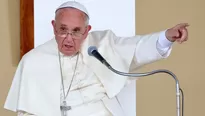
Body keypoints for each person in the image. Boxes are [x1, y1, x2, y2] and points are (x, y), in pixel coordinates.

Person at [4, 1, 189, 116]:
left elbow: (136, 49)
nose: (68, 38)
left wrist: (167, 37)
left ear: (87, 30)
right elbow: (27, 111)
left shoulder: (101, 45)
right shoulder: (33, 60)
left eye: (76, 31)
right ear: (53, 26)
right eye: (63, 30)